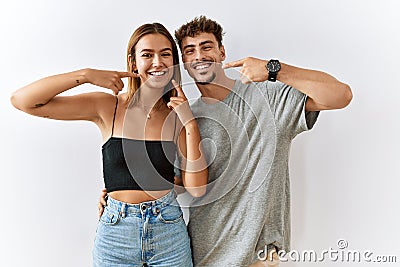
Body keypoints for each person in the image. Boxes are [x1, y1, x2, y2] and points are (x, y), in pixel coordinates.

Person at [99, 16, 353, 267]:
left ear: (222, 52)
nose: (199, 56)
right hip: (201, 253)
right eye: (189, 51)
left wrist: (274, 69)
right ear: (183, 64)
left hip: (258, 256)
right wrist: (120, 195)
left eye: (207, 47)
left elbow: (340, 96)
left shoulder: (269, 98)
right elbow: (180, 183)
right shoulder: (185, 114)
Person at [11, 22, 208, 267]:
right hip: (116, 234)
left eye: (165, 54)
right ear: (133, 62)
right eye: (147, 55)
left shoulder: (178, 114)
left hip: (168, 231)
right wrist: (86, 75)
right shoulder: (108, 107)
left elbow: (197, 188)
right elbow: (23, 101)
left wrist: (189, 124)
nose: (157, 62)